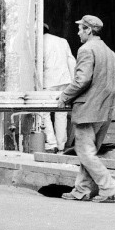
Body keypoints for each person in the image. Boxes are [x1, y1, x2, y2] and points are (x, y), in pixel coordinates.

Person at [57, 15, 115, 202]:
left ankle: (109, 187)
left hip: (89, 111)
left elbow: (82, 79)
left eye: (80, 29)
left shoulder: (86, 49)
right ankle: (82, 190)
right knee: (89, 154)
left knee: (85, 153)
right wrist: (103, 94)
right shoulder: (110, 52)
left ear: (88, 30)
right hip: (106, 111)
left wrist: (65, 96)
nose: (78, 32)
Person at [42, 23, 76, 153]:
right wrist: (73, 84)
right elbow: (71, 62)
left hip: (48, 81)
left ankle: (51, 143)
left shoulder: (39, 42)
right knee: (61, 112)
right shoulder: (62, 41)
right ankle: (62, 145)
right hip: (64, 80)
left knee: (44, 111)